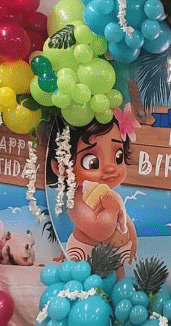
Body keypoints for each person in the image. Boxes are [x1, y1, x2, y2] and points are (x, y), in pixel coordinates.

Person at [47, 112, 138, 279]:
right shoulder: (77, 201)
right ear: (62, 167)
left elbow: (125, 219)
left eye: (118, 157)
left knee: (119, 280)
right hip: (85, 256)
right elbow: (100, 231)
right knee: (84, 279)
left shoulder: (110, 195)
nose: (110, 168)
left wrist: (133, 241)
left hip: (114, 255)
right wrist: (110, 211)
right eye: (92, 162)